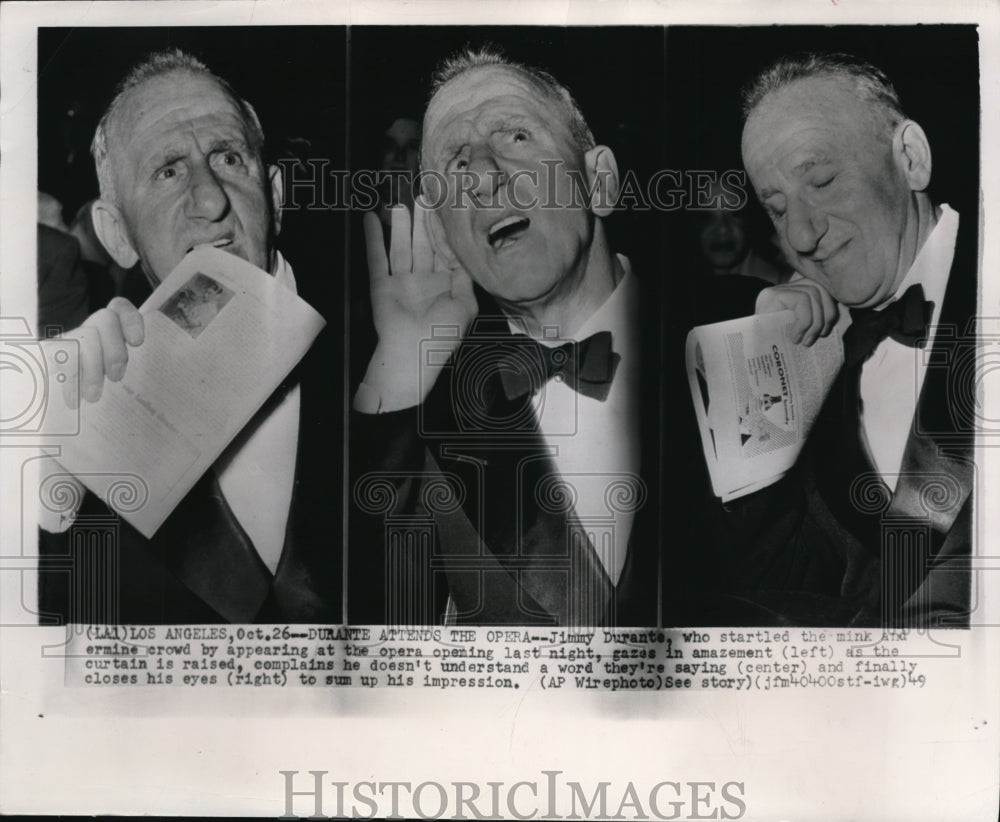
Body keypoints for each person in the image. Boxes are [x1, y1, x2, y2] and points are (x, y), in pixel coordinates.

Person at [349, 47, 655, 626]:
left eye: (516, 137)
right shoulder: (420, 405)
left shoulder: (755, 334)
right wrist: (405, 365)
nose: (485, 177)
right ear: (444, 234)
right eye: (456, 165)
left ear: (600, 181)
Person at [37, 49, 340, 625]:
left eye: (228, 157)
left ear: (275, 196)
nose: (210, 199)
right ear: (116, 233)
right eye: (168, 171)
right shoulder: (73, 426)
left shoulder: (393, 366)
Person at [714, 53, 975, 627]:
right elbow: (774, 586)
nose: (803, 234)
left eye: (824, 181)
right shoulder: (815, 359)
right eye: (778, 210)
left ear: (910, 158)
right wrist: (766, 380)